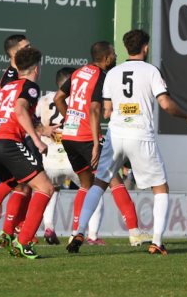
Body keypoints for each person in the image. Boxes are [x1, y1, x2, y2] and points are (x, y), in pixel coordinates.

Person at [66, 29, 187, 255]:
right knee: (161, 188)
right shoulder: (151, 71)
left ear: (126, 49)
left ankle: (79, 230)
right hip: (139, 135)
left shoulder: (113, 73)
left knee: (99, 184)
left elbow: (106, 112)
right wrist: (186, 115)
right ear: (145, 48)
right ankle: (156, 241)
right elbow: (165, 104)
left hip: (116, 136)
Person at [54, 41, 148, 246]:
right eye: (113, 54)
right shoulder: (101, 76)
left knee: (86, 185)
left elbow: (58, 98)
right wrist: (97, 142)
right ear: (106, 58)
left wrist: (70, 120)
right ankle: (134, 231)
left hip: (69, 136)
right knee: (114, 180)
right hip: (87, 138)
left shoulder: (78, 73)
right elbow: (95, 109)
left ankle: (76, 232)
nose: (115, 57)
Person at [0, 47, 55, 259]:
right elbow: (20, 111)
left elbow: (15, 115)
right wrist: (38, 141)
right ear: (37, 68)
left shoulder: (8, 87)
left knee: (18, 183)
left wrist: (42, 129)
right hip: (6, 142)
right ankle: (23, 242)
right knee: (45, 187)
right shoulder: (30, 86)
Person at [37, 67, 106, 246]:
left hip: (50, 155)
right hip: (72, 150)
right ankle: (90, 233)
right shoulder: (78, 98)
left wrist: (42, 132)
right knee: (92, 187)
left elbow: (33, 122)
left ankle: (49, 227)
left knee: (52, 191)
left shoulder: (44, 100)